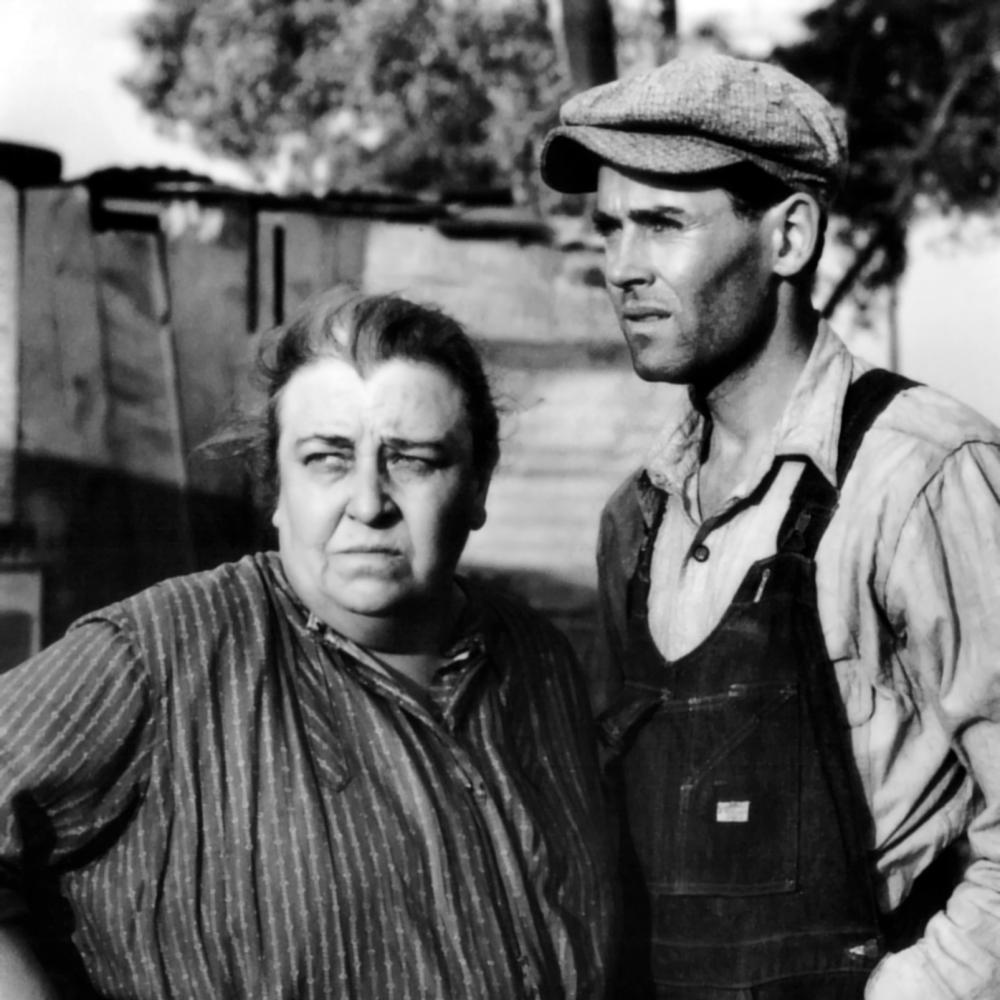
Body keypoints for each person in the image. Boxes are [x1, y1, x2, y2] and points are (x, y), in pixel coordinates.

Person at [0, 289, 616, 999]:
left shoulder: (537, 658)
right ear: (275, 487)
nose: (368, 502)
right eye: (327, 459)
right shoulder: (160, 654)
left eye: (412, 460)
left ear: (478, 485)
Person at [539, 52, 1000, 1000]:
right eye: (609, 229)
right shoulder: (635, 521)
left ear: (788, 237)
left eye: (663, 225)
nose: (621, 268)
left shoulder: (918, 475)